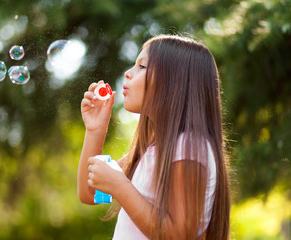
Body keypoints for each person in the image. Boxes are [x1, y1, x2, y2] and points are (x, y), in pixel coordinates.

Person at [77, 34, 231, 240]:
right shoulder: (151, 150)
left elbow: (177, 234)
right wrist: (95, 130)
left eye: (142, 67)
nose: (128, 73)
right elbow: (90, 193)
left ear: (174, 81)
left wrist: (120, 186)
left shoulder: (189, 145)